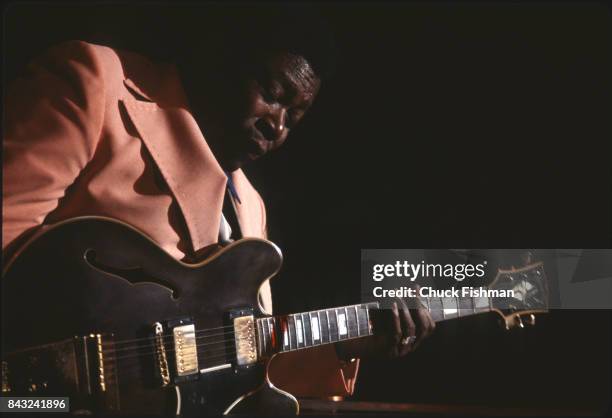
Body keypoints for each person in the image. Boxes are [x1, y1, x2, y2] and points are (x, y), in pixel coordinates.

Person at [2, 5, 434, 400]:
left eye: (295, 116)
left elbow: (245, 362)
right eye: (272, 91)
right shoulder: (95, 84)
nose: (277, 124)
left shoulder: (250, 208)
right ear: (223, 56)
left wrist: (344, 345)